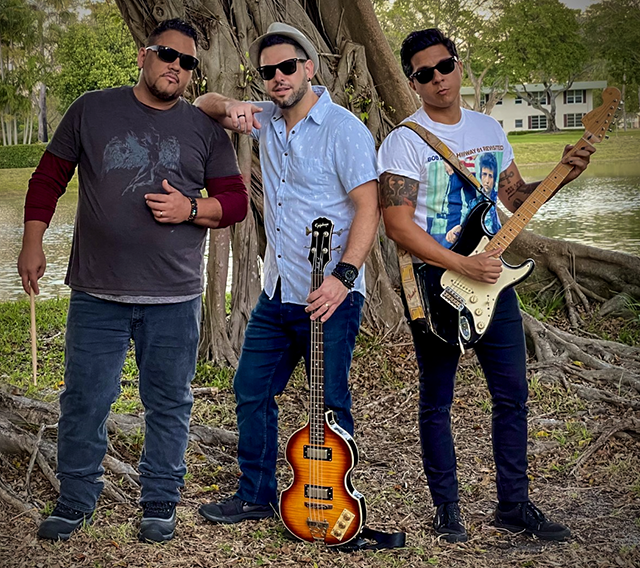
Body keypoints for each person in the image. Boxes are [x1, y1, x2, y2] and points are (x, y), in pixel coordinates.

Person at [17, 19, 248, 543]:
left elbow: (234, 201)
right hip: (97, 291)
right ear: (145, 56)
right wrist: (32, 241)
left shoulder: (204, 129)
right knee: (84, 398)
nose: (177, 66)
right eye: (169, 54)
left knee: (168, 402)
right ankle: (76, 499)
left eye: (188, 62)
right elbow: (48, 177)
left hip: (175, 296)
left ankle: (160, 501)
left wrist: (191, 208)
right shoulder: (92, 109)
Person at [377, 29, 594, 543]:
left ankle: (514, 507)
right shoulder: (405, 140)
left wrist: (561, 175)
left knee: (513, 395)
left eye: (445, 66)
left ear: (457, 64)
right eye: (424, 73)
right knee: (437, 399)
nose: (438, 79)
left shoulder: (490, 129)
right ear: (412, 81)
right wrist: (460, 263)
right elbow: (397, 226)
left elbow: (514, 197)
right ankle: (447, 508)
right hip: (438, 280)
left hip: (495, 277)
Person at [193, 22, 379, 524]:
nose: (277, 77)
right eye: (267, 71)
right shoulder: (267, 120)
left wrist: (343, 277)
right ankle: (255, 494)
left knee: (331, 402)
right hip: (278, 292)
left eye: (287, 67)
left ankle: (337, 502)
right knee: (251, 389)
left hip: (331, 294)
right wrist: (227, 107)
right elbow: (204, 105)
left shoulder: (344, 129)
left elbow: (369, 207)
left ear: (309, 68)